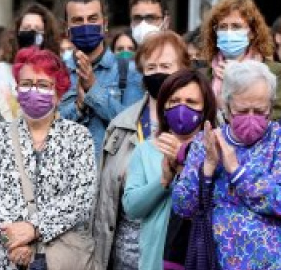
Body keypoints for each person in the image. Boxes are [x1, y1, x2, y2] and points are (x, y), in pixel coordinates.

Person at [0, 47, 97, 269]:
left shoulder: (78, 137)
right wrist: (13, 239)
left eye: (43, 85)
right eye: (26, 84)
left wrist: (33, 229)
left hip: (56, 257)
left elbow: (81, 197)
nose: (34, 91)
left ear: (59, 92)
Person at [173, 60, 281, 269]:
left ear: (271, 108)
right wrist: (208, 168)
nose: (251, 118)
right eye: (243, 111)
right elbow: (183, 206)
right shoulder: (206, 142)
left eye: (260, 111)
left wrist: (237, 171)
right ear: (226, 107)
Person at [93, 30, 191, 270]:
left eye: (167, 65)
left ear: (184, 69)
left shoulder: (204, 121)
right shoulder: (121, 125)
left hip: (176, 253)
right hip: (126, 257)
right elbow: (104, 200)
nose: (159, 73)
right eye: (151, 67)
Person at [123, 70, 217, 270]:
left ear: (205, 108)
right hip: (154, 260)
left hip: (201, 258)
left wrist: (185, 162)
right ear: (164, 105)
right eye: (174, 101)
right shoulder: (146, 149)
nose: (182, 108)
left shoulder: (215, 151)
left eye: (191, 102)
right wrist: (163, 181)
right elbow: (132, 207)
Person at [59, 0, 144, 159]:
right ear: (67, 29)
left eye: (92, 19)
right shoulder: (56, 72)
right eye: (78, 20)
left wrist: (93, 89)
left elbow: (133, 126)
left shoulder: (128, 71)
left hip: (109, 178)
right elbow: (47, 129)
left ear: (104, 24)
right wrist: (77, 107)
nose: (85, 26)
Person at [202, 0, 281, 121]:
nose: (229, 33)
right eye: (222, 27)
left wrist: (235, 85)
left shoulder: (277, 72)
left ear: (252, 32)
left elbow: (280, 118)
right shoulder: (203, 76)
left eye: (236, 26)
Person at [0, 3, 61, 98]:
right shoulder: (3, 69)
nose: (32, 32)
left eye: (38, 29)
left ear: (47, 36)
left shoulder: (55, 70)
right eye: (26, 28)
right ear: (16, 33)